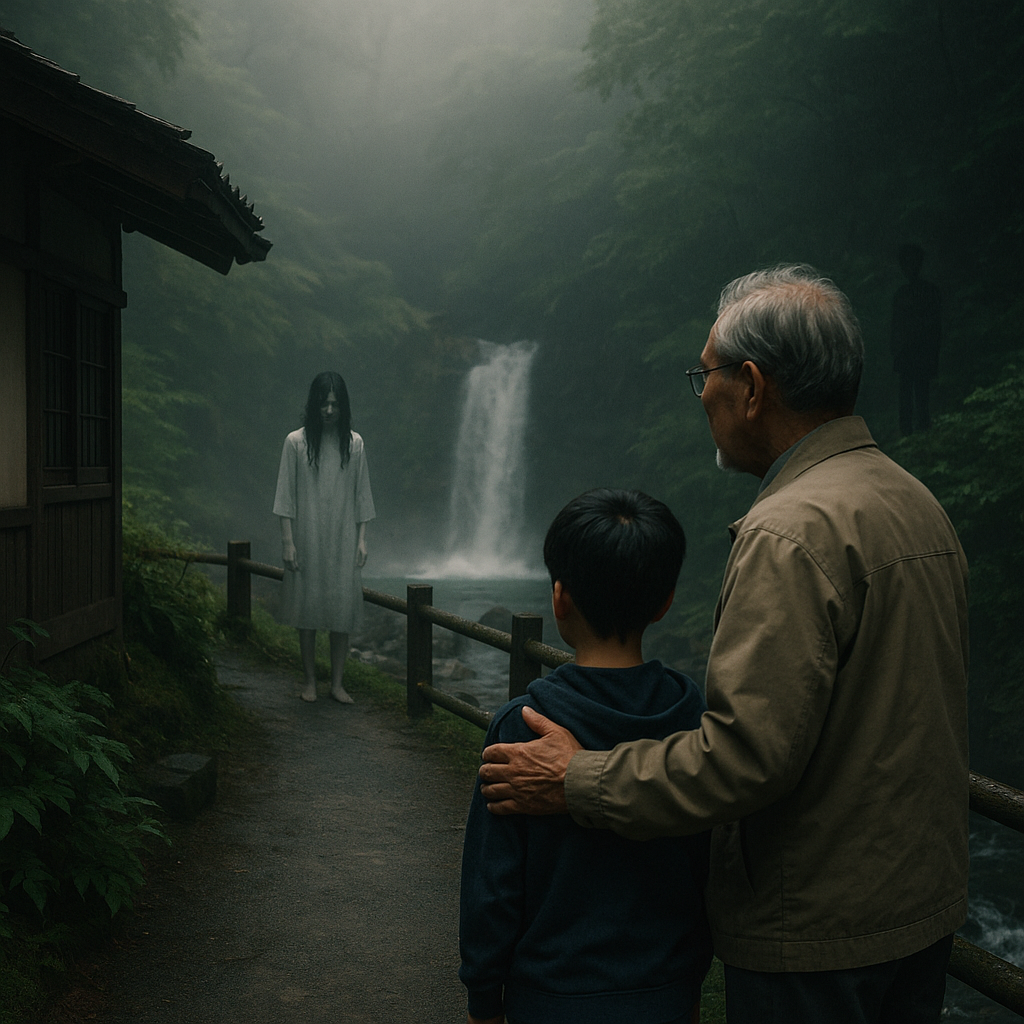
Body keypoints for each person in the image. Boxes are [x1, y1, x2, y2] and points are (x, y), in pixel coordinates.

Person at [478, 266, 970, 1024]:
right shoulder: (916, 503)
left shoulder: (790, 532)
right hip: (916, 913)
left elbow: (744, 759)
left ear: (751, 386)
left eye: (704, 373)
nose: (701, 392)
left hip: (815, 937)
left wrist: (578, 778)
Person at [460, 489, 712, 1024]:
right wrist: (688, 981)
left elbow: (492, 887)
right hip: (664, 992)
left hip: (548, 998)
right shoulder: (692, 718)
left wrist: (483, 1000)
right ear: (665, 602)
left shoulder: (523, 725)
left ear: (560, 598)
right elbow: (704, 868)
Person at [273, 371, 376, 703]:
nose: (329, 410)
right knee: (307, 608)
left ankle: (337, 683)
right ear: (313, 404)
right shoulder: (296, 442)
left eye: (335, 404)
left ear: (343, 406)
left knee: (341, 610)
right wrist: (288, 542)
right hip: (307, 533)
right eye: (323, 403)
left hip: (343, 535)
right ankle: (309, 681)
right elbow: (285, 495)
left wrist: (362, 539)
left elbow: (362, 496)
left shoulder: (354, 444)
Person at [891, 243, 942, 434]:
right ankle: (910, 430)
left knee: (920, 390)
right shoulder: (904, 293)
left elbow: (935, 325)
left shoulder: (927, 292)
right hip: (909, 350)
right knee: (909, 391)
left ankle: (920, 428)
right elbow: (896, 324)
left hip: (920, 349)